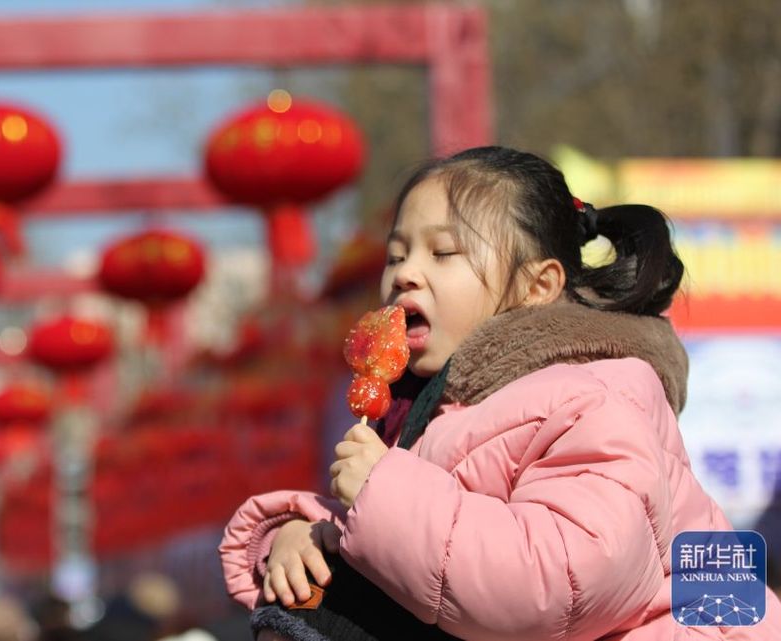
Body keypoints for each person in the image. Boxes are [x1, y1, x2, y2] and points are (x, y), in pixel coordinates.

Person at [218, 146, 781, 640]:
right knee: (312, 597)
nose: (406, 274)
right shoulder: (427, 407)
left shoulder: (592, 394)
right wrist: (300, 535)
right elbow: (416, 542)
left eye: (443, 254)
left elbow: (564, 581)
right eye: (397, 255)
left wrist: (382, 495)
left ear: (538, 287)